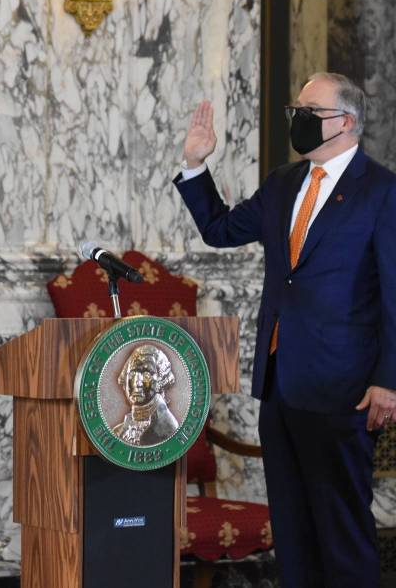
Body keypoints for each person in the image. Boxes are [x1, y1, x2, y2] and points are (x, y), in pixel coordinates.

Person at [174, 72, 396, 587]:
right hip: (280, 385)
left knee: (342, 532)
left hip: (345, 390)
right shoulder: (283, 182)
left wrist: (388, 380)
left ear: (346, 122)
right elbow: (219, 229)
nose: (298, 120)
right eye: (296, 110)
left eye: (310, 112)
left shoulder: (382, 192)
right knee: (293, 531)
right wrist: (195, 164)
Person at [112, 344, 180, 446]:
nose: (137, 382)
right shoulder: (118, 432)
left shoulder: (169, 430)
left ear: (161, 380)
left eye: (146, 374)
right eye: (133, 373)